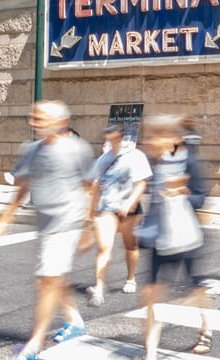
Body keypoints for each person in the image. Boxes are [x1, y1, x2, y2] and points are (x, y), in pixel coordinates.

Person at [0, 100, 95, 360]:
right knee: (55, 277)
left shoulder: (76, 149)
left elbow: (91, 187)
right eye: (32, 118)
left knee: (46, 280)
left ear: (60, 122)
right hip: (46, 223)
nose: (33, 123)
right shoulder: (32, 149)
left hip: (67, 222)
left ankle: (34, 343)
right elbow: (24, 184)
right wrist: (7, 215)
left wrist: (88, 226)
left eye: (39, 119)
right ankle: (74, 320)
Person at [139, 114, 210, 359]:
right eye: (149, 135)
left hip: (186, 235)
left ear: (173, 137)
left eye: (157, 135)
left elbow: (201, 197)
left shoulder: (187, 161)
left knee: (194, 289)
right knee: (151, 295)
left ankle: (205, 328)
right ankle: (150, 352)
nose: (150, 141)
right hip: (161, 237)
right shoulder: (155, 162)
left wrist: (183, 192)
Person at [86, 124, 152, 306]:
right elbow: (95, 187)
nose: (112, 142)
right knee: (104, 248)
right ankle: (99, 288)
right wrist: (92, 211)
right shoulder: (103, 159)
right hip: (107, 208)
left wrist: (129, 203)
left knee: (130, 245)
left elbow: (141, 184)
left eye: (116, 138)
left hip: (129, 209)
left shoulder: (136, 156)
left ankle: (131, 278)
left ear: (122, 137)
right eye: (109, 138)